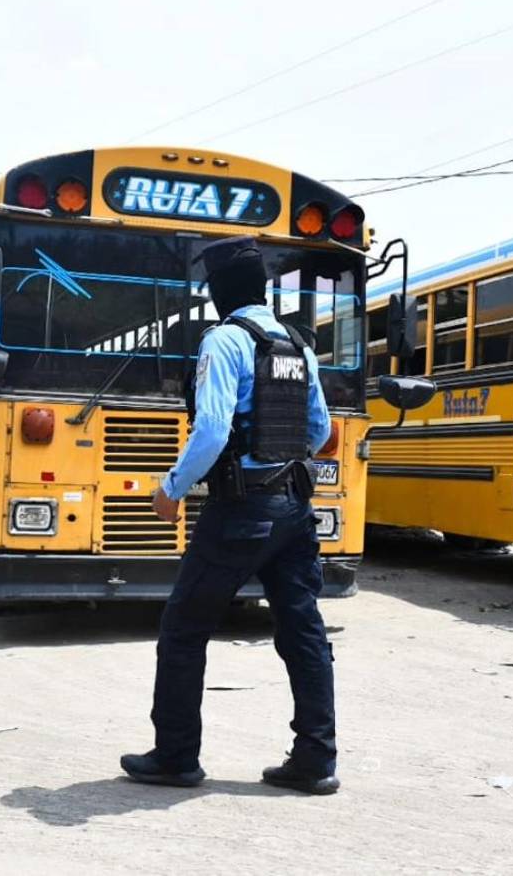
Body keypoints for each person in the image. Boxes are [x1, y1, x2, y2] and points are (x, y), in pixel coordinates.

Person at [120, 236, 339, 795]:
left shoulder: (224, 340)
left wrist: (172, 488)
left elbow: (213, 428)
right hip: (294, 507)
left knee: (183, 630)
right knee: (303, 630)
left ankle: (175, 757)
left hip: (241, 510)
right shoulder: (298, 345)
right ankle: (315, 760)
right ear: (262, 288)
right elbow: (318, 431)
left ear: (219, 292)